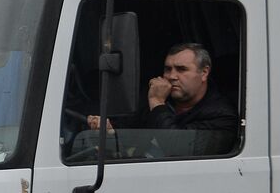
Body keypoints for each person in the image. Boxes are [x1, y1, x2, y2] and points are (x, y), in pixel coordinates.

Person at [86, 43, 237, 143]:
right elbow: (128, 129)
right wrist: (109, 129)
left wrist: (158, 103)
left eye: (182, 69)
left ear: (204, 73)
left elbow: (176, 146)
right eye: (167, 69)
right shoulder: (155, 98)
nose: (171, 76)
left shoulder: (222, 115)